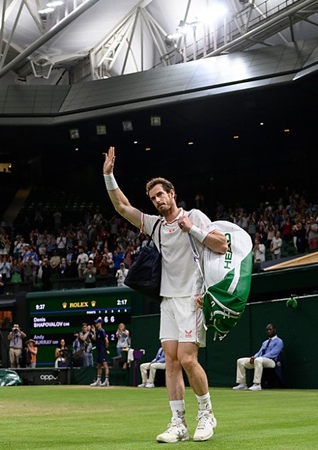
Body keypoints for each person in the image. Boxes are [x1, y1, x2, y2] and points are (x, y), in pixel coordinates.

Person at [102, 146, 227, 442]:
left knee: (186, 358)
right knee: (170, 361)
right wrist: (109, 175)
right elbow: (123, 207)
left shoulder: (193, 215)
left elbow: (221, 244)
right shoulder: (155, 225)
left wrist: (192, 229)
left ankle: (207, 414)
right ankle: (178, 423)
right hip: (168, 301)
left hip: (193, 298)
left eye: (161, 194)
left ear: (172, 194)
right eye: (153, 197)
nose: (157, 200)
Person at [233, 323, 284, 391]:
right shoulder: (265, 342)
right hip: (260, 359)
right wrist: (253, 357)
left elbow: (273, 354)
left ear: (274, 330)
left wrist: (258, 358)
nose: (269, 331)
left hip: (272, 361)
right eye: (267, 330)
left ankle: (257, 384)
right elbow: (259, 352)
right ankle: (242, 384)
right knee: (240, 361)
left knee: (258, 360)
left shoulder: (279, 341)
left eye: (270, 329)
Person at [89, 317, 110, 387]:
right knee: (99, 365)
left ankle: (107, 381)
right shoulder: (97, 331)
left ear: (100, 323)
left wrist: (105, 348)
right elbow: (94, 338)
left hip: (102, 349)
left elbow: (106, 340)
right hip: (98, 349)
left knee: (105, 365)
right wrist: (94, 331)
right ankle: (98, 381)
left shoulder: (102, 331)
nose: (96, 324)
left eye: (97, 322)